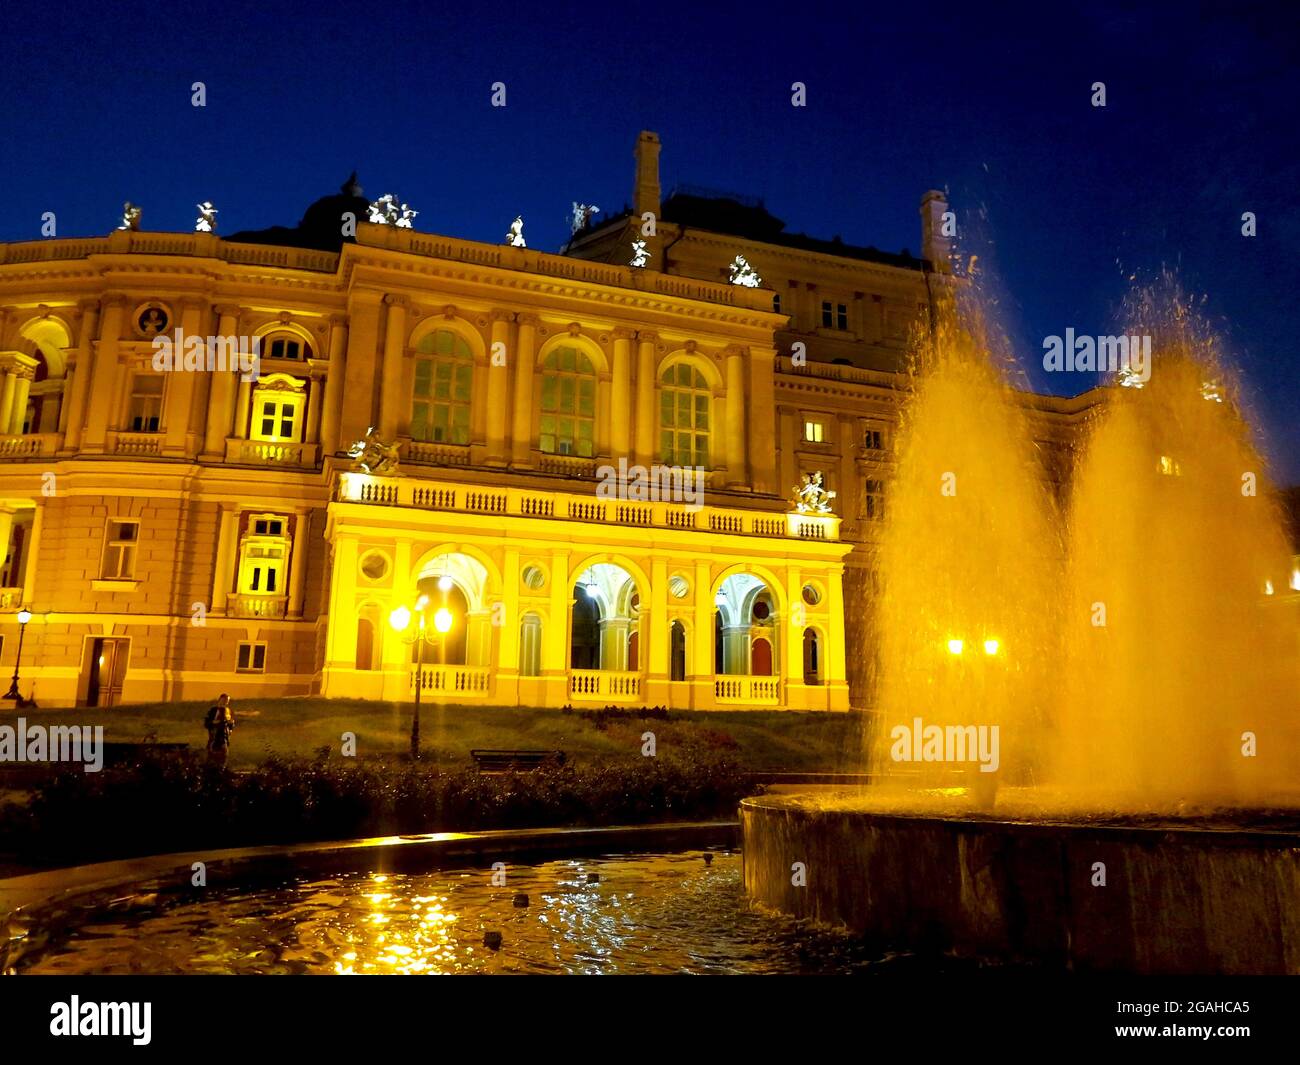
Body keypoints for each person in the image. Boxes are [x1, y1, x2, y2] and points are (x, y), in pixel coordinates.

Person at [204, 693, 235, 767]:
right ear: (220, 700)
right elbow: (207, 723)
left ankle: (221, 768)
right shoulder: (214, 710)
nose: (225, 702)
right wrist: (214, 722)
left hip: (225, 737)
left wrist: (231, 724)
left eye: (227, 701)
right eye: (224, 700)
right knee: (212, 755)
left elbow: (231, 725)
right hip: (215, 736)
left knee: (224, 755)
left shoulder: (228, 711)